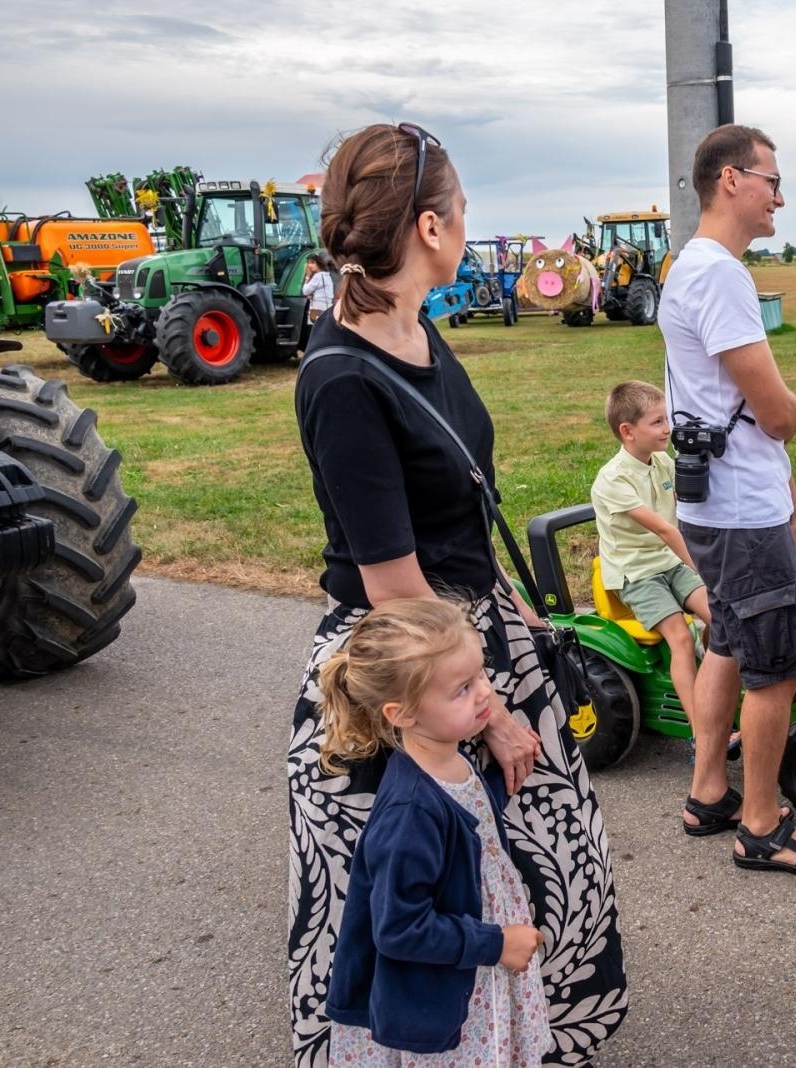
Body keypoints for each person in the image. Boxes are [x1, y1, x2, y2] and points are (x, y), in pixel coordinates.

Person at [287, 122, 624, 1067]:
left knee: (543, 871)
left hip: (471, 644)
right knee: (429, 906)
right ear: (430, 227)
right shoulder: (342, 378)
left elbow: (457, 517)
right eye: (465, 211)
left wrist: (513, 622)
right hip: (409, 674)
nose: (470, 227)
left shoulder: (417, 328)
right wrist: (489, 719)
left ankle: (522, 1043)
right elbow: (394, 586)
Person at [660, 123, 796, 874]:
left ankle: (710, 791)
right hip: (741, 511)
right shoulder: (720, 275)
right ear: (731, 179)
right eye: (772, 179)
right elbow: (775, 414)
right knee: (778, 666)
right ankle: (762, 826)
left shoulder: (691, 267)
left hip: (720, 506)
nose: (780, 195)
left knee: (731, 647)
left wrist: (794, 505)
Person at [318, 598, 549, 1067]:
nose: (485, 692)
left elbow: (468, 828)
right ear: (402, 713)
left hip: (470, 974)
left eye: (481, 674)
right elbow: (399, 927)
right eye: (462, 688)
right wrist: (497, 944)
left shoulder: (450, 757)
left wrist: (494, 798)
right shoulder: (410, 812)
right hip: (448, 983)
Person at [591, 380, 713, 723]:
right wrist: (704, 566)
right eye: (657, 422)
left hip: (670, 562)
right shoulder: (612, 479)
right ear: (628, 431)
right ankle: (700, 727)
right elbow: (665, 528)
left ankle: (714, 690)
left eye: (666, 419)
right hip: (637, 573)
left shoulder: (662, 463)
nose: (668, 428)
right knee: (680, 637)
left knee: (721, 617)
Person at [303, 254, 335, 325]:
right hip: (325, 306)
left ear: (319, 264)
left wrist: (307, 276)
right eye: (308, 263)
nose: (309, 265)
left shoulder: (318, 276)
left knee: (315, 328)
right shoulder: (327, 276)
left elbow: (305, 291)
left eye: (312, 262)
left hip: (317, 306)